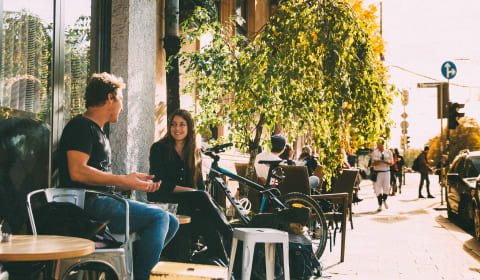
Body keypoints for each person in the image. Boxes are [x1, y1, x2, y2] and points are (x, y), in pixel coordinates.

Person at [58, 72, 179, 280]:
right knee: (159, 218)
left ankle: (125, 272)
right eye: (120, 99)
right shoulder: (81, 127)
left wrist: (130, 183)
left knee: (171, 221)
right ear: (109, 98)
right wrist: (122, 180)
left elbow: (98, 176)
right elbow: (77, 171)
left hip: (102, 200)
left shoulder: (99, 131)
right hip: (86, 205)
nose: (122, 106)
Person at [147, 109, 233, 264]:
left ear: (189, 128)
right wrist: (192, 192)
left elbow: (198, 185)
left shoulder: (194, 152)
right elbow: (160, 183)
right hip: (164, 199)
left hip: (186, 202)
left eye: (182, 125)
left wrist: (197, 198)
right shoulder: (159, 148)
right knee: (201, 196)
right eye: (173, 124)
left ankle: (225, 265)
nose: (177, 129)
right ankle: (229, 233)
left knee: (207, 221)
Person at [371, 138, 393, 211]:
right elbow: (372, 163)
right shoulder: (375, 152)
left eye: (379, 144)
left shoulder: (388, 152)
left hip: (386, 172)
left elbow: (391, 163)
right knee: (377, 189)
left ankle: (384, 199)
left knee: (386, 188)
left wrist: (386, 162)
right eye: (377, 144)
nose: (378, 145)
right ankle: (380, 204)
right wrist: (378, 161)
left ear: (383, 144)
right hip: (377, 172)